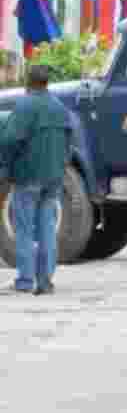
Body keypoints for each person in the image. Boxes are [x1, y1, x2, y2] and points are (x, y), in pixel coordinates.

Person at [0, 65, 72, 295]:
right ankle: (45, 281)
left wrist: (7, 167)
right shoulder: (60, 108)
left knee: (23, 229)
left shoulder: (24, 106)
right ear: (46, 83)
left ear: (27, 82)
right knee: (47, 228)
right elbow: (69, 142)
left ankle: (25, 281)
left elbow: (9, 140)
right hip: (54, 178)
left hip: (28, 176)